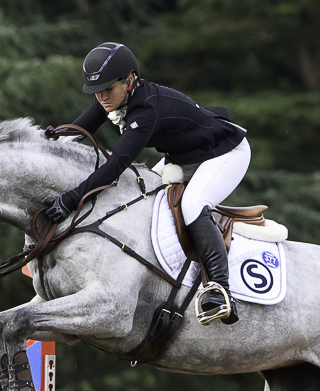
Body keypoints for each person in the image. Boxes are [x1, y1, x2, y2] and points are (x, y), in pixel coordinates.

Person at [45, 42, 250, 325]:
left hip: (224, 153)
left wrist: (72, 199)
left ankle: (220, 289)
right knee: (146, 196)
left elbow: (115, 166)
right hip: (184, 155)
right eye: (97, 91)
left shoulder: (146, 109)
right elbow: (76, 131)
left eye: (108, 89)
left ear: (129, 80)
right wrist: (48, 141)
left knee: (192, 205)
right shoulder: (112, 97)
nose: (102, 97)